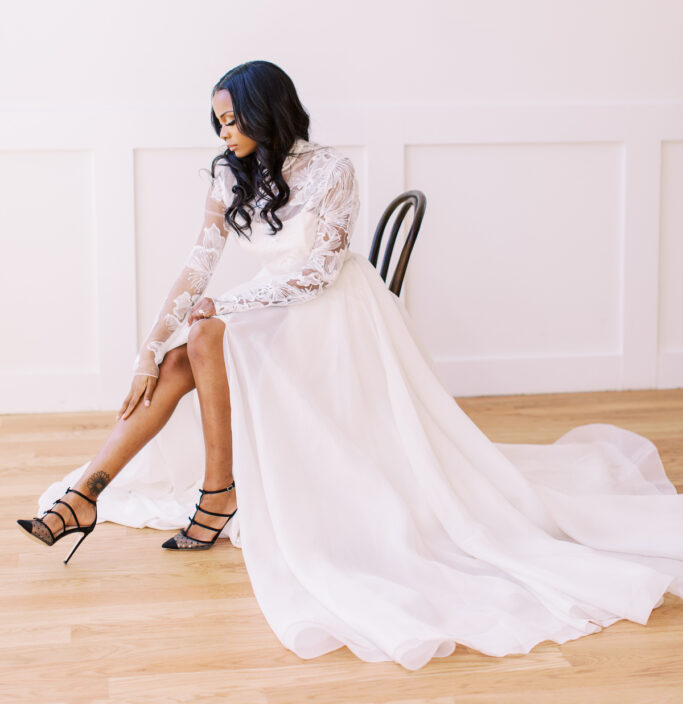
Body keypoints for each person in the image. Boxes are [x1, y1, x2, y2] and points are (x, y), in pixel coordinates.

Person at [17, 59, 683, 669]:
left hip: (331, 312)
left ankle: (200, 492)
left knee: (206, 335)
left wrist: (224, 307)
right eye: (216, 122)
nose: (223, 133)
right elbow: (197, 268)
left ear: (267, 111)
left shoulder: (331, 170)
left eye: (232, 119)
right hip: (265, 306)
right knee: (179, 356)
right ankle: (93, 494)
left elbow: (318, 272)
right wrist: (146, 350)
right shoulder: (227, 174)